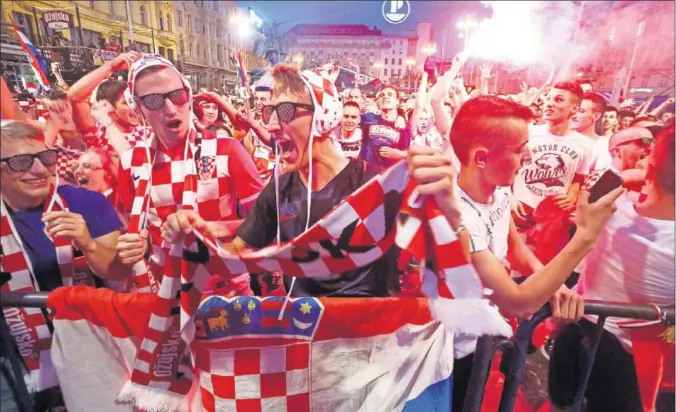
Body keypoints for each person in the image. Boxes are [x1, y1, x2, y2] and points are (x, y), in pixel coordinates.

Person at [161, 63, 401, 297]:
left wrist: (437, 196)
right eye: (270, 112)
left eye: (285, 111)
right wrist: (199, 237)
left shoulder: (375, 185)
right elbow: (237, 252)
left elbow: (426, 257)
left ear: (323, 117)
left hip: (365, 333)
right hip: (303, 328)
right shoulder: (279, 190)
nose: (272, 124)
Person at [446, 96, 588, 410]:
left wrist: (555, 286)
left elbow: (516, 247)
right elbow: (517, 300)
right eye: (518, 148)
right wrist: (586, 238)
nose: (529, 155)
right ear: (481, 158)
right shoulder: (455, 215)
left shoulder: (499, 190)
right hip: (451, 351)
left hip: (485, 337)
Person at [0, 121, 128, 411]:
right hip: (12, 361)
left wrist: (88, 244)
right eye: (22, 161)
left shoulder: (85, 203)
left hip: (92, 347)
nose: (39, 170)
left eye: (45, 157)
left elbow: (118, 271)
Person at [548, 122, 675, 412]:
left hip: (577, 331)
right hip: (637, 359)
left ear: (650, 168)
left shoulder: (610, 210)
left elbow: (598, 190)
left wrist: (625, 173)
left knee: (562, 404)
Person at [115, 55, 264, 296]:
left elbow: (268, 224)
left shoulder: (227, 150)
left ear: (188, 95)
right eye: (154, 100)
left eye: (177, 95)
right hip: (167, 298)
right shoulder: (130, 163)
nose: (171, 109)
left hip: (228, 294)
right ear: (138, 107)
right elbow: (129, 233)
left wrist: (212, 229)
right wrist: (132, 247)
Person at [512, 81, 595, 230]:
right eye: (548, 98)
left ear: (574, 109)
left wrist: (572, 195)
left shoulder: (585, 144)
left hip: (552, 221)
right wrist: (509, 198)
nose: (549, 104)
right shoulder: (527, 132)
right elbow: (503, 169)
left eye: (558, 100)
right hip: (519, 212)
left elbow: (579, 177)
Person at [360, 84, 411, 169]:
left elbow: (409, 154)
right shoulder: (368, 118)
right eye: (382, 95)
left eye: (390, 95)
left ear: (397, 102)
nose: (385, 97)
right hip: (367, 174)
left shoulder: (403, 128)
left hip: (389, 176)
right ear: (378, 102)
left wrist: (400, 155)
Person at [571, 92, 610, 171]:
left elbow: (599, 177)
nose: (574, 115)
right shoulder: (562, 138)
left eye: (581, 111)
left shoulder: (602, 146)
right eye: (574, 109)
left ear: (596, 116)